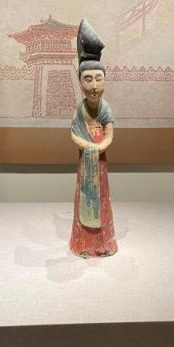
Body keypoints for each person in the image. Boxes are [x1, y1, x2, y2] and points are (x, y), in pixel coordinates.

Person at [69, 19, 117, 258]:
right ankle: (83, 244)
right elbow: (73, 133)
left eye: (99, 78)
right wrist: (88, 146)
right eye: (88, 79)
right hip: (87, 160)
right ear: (80, 82)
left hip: (99, 160)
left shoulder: (105, 108)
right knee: (85, 199)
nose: (94, 85)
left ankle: (103, 244)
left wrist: (99, 147)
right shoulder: (80, 110)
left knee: (102, 197)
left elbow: (110, 135)